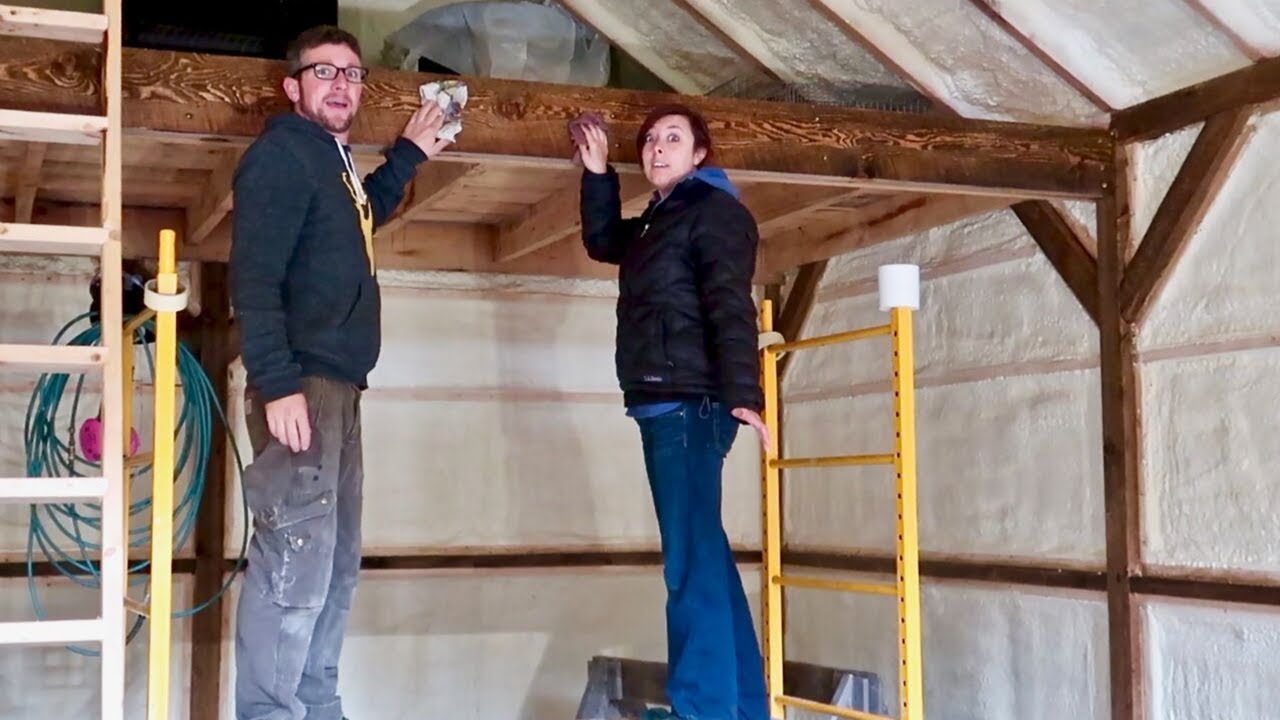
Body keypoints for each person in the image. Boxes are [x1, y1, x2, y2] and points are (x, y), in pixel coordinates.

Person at [228, 25, 452, 720]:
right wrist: (278, 382)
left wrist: (409, 154)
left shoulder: (332, 164)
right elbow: (253, 277)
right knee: (295, 555)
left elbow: (359, 218)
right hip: (302, 381)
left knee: (334, 562)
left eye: (351, 74)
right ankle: (270, 713)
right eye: (323, 72)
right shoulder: (282, 156)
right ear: (292, 87)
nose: (340, 84)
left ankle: (317, 706)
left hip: (341, 387)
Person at [574, 105, 771, 720]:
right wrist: (598, 173)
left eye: (674, 138)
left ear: (699, 153)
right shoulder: (663, 218)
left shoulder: (715, 213)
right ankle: (743, 708)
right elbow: (604, 242)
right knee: (705, 559)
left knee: (688, 565)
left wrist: (746, 394)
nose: (657, 148)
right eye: (651, 140)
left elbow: (730, 304)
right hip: (667, 403)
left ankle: (703, 709)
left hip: (690, 405)